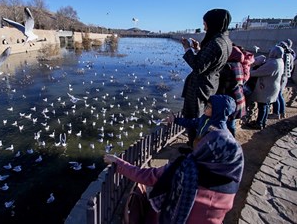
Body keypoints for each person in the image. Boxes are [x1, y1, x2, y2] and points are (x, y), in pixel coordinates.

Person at [103, 95, 244, 224]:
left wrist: (118, 162)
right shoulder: (231, 183)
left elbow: (146, 176)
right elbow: (194, 123)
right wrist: (176, 120)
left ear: (203, 150)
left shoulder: (183, 170)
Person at [180, 8, 232, 148]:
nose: (204, 27)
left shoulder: (216, 42)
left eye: (205, 23)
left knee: (194, 117)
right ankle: (195, 144)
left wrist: (187, 49)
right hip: (210, 84)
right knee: (203, 117)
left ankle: (194, 147)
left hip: (199, 87)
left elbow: (198, 66)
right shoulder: (225, 40)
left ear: (213, 23)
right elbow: (209, 62)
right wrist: (198, 50)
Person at [247, 45, 284, 130]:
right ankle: (263, 122)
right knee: (266, 105)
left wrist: (248, 72)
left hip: (267, 87)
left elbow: (259, 72)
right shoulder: (279, 61)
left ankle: (259, 123)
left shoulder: (273, 63)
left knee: (263, 106)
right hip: (272, 86)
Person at [217, 46, 247, 137]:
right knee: (232, 122)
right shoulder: (239, 64)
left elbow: (221, 84)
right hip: (239, 97)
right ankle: (232, 140)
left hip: (230, 99)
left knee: (226, 124)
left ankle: (226, 142)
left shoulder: (227, 66)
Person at [269, 40, 295, 119]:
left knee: (276, 95)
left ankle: (276, 113)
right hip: (285, 77)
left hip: (281, 77)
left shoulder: (285, 55)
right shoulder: (290, 54)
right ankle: (282, 112)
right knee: (280, 95)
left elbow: (282, 67)